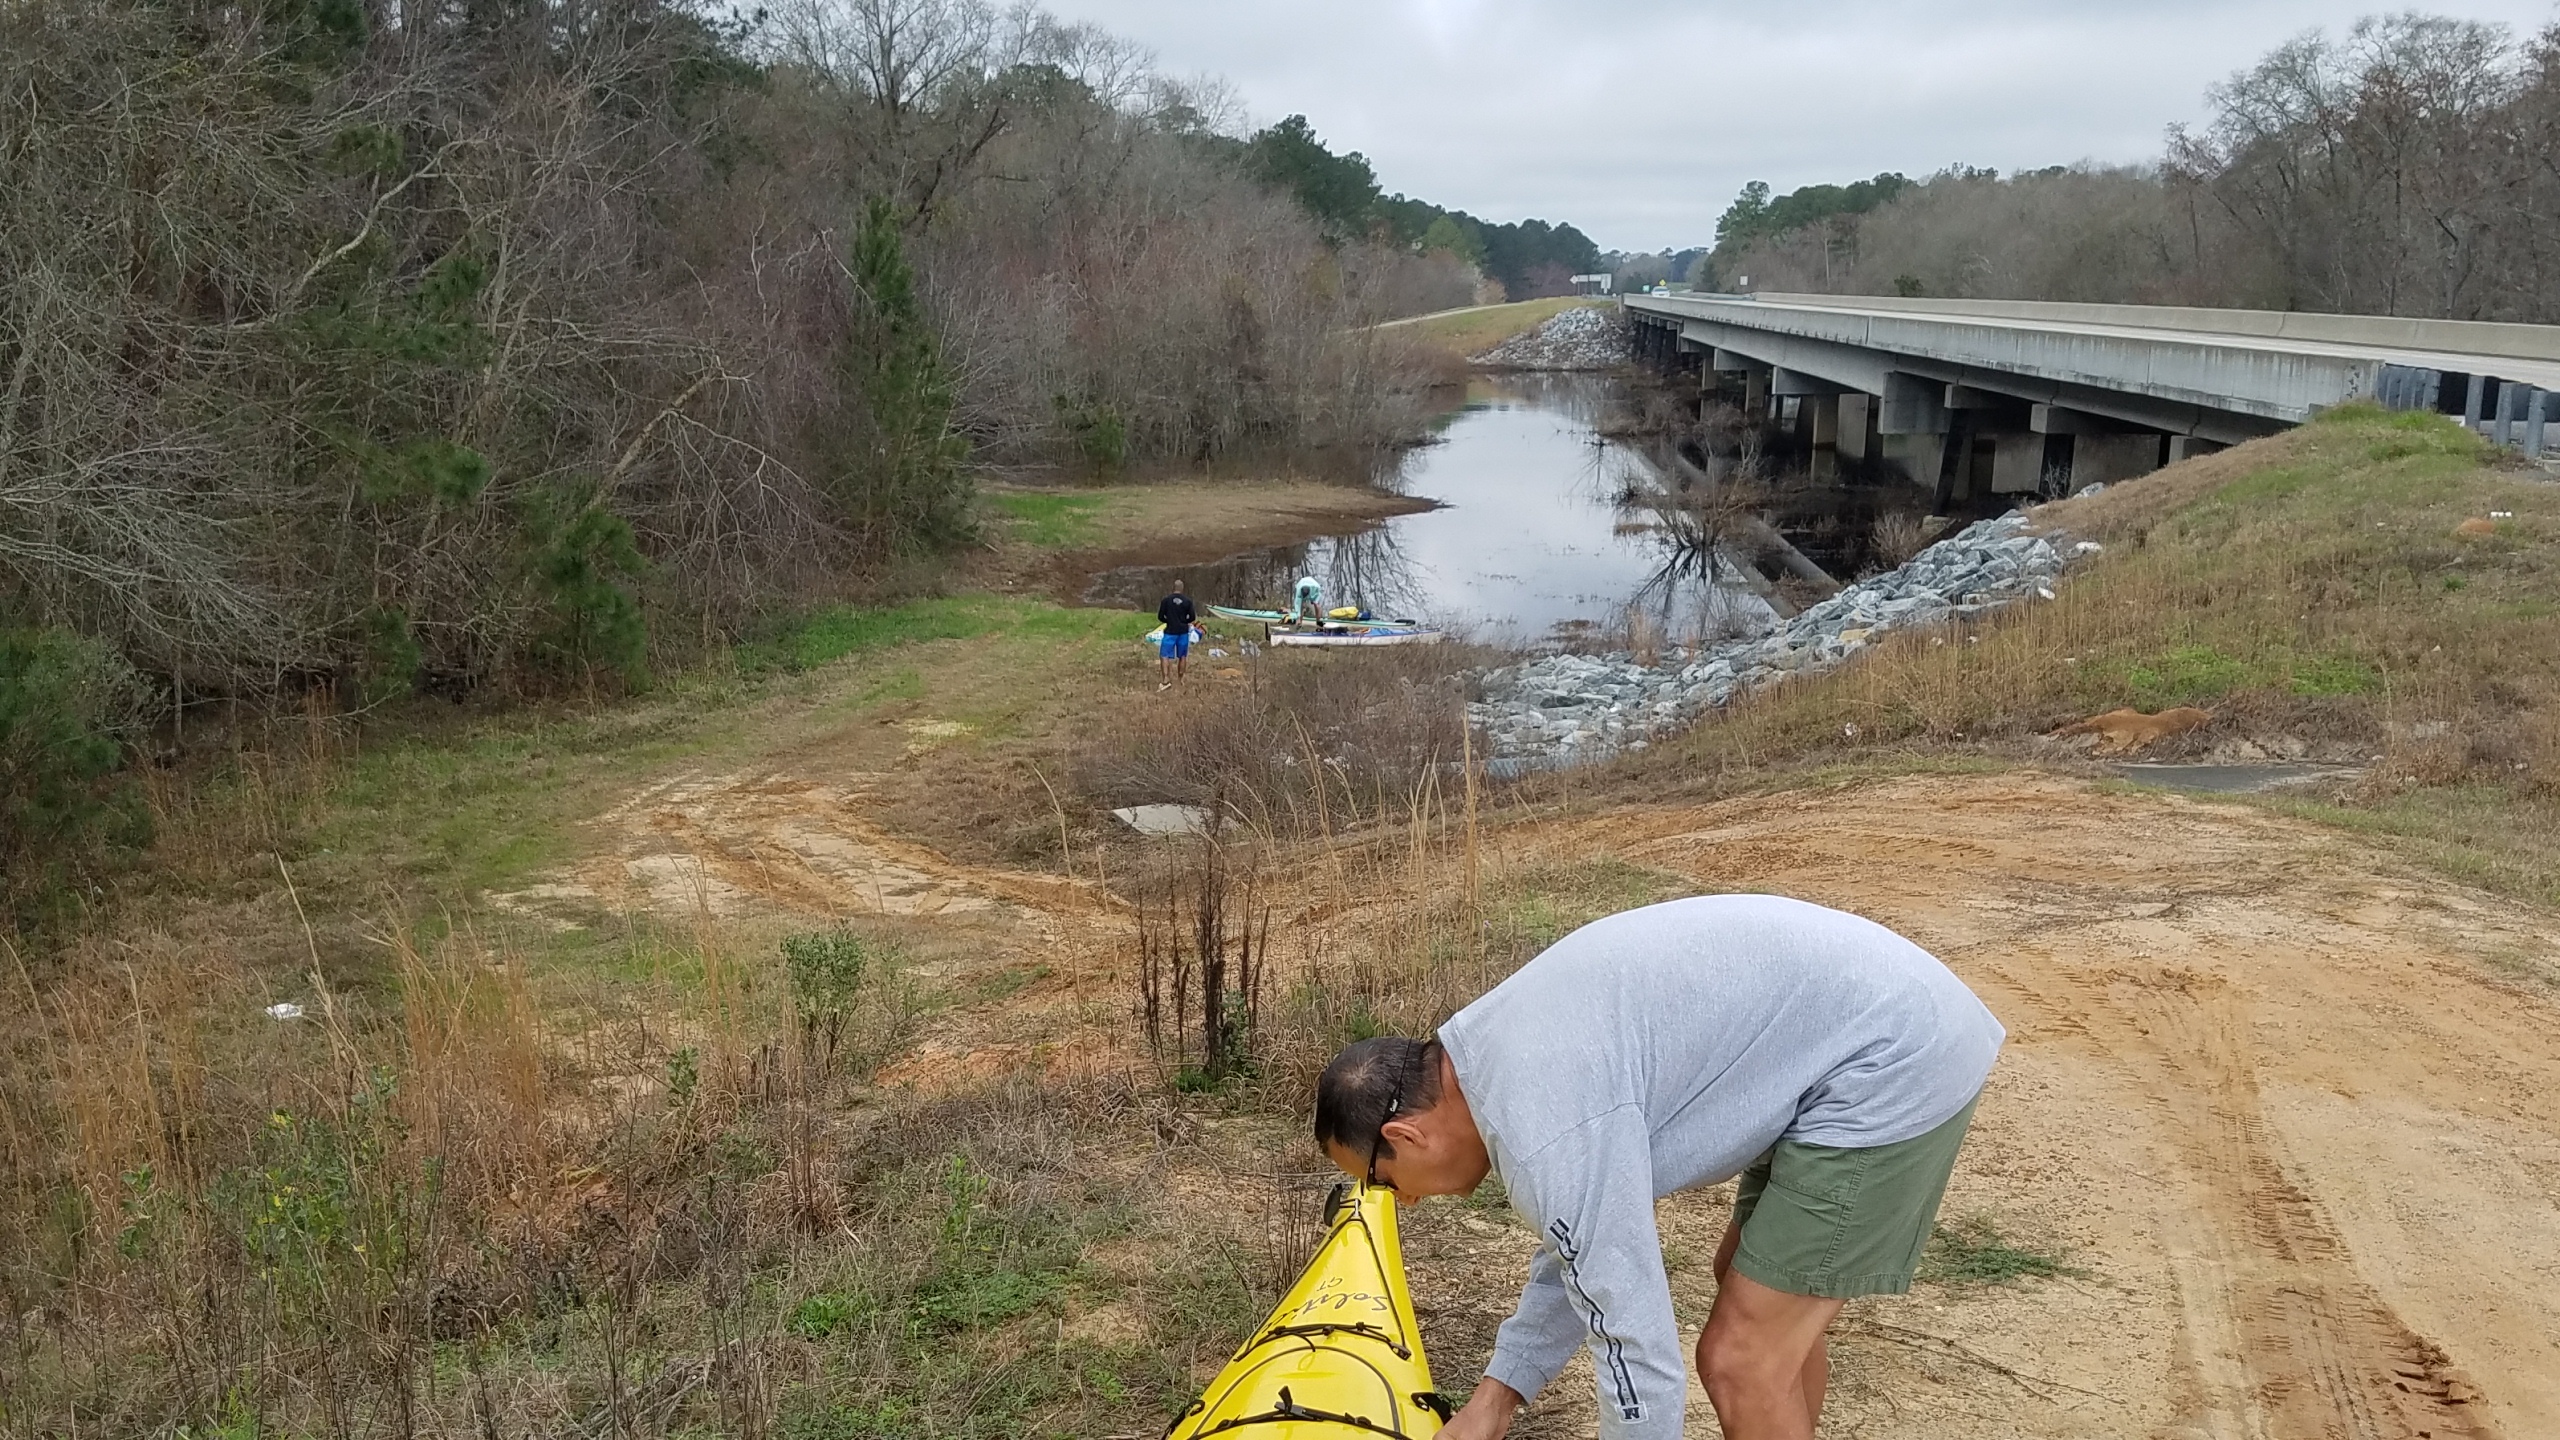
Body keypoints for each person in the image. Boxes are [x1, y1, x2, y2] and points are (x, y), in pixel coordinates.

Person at [1313, 895, 2004, 1440]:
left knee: (1741, 1360)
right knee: (1748, 1292)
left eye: (1379, 1177)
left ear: (1406, 1132)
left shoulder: (1543, 1128)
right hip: (1852, 1029)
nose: (1397, 1202)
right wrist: (1497, 1399)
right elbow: (1581, 1249)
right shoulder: (1493, 1061)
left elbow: (1638, 1355)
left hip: (1888, 1057)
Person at [1156, 579, 1198, 689]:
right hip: (1183, 632)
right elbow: (1192, 617)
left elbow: (1160, 616)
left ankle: (1166, 678)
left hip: (1170, 631)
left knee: (1164, 655)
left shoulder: (1166, 600)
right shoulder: (1187, 601)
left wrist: (1168, 620)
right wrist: (1184, 622)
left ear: (1173, 588)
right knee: (1182, 656)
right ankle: (1181, 679)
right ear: (1182, 589)